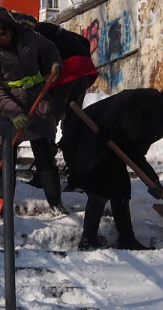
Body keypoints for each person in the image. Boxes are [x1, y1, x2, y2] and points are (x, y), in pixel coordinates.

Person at [59, 85, 163, 250]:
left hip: (111, 146)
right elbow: (122, 100)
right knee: (100, 190)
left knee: (121, 191)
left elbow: (136, 153)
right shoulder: (152, 100)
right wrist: (106, 127)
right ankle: (88, 241)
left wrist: (153, 181)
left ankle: (126, 240)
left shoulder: (159, 122)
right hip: (92, 138)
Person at [0, 7, 67, 216]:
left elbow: (51, 49)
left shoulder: (30, 37)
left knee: (45, 156)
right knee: (7, 160)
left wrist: (55, 64)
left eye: (2, 34)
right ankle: (3, 206)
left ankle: (55, 202)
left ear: (12, 30)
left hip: (36, 102)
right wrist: (14, 113)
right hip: (6, 109)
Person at [11, 12, 98, 192]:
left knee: (47, 121)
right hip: (83, 69)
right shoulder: (52, 30)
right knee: (72, 123)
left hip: (65, 73)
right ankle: (77, 175)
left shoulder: (30, 36)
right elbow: (83, 42)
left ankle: (46, 174)